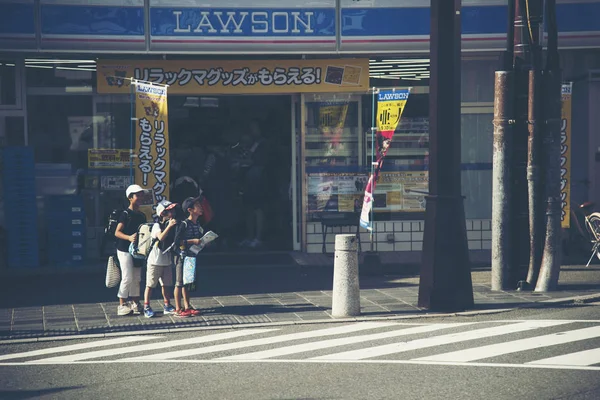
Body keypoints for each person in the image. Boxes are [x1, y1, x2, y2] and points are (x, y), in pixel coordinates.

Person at [114, 184, 148, 316]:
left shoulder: (142, 215)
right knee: (127, 277)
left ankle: (135, 303)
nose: (140, 197)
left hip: (138, 250)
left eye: (141, 195)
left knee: (137, 278)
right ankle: (121, 305)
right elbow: (117, 232)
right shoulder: (125, 214)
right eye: (137, 195)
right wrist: (128, 237)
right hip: (124, 249)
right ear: (130, 197)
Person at [142, 200, 178, 318]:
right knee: (150, 285)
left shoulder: (172, 224)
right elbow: (161, 237)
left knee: (166, 284)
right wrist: (169, 226)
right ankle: (146, 306)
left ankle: (167, 305)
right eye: (169, 211)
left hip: (166, 260)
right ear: (162, 214)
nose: (172, 213)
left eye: (172, 210)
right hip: (154, 260)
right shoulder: (157, 226)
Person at [172, 196, 205, 318]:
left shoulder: (197, 224)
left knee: (187, 282)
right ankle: (178, 308)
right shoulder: (184, 224)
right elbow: (177, 241)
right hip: (182, 256)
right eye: (198, 206)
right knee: (179, 283)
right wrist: (192, 241)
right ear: (190, 210)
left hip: (191, 257)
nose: (201, 208)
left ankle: (187, 306)